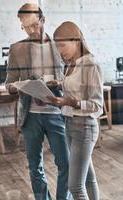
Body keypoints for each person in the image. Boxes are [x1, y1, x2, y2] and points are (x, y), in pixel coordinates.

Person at [5, 3, 69, 200]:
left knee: (66, 164)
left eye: (34, 25)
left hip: (57, 113)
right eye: (26, 27)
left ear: (42, 20)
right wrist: (20, 86)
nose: (31, 31)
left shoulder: (61, 46)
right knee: (35, 165)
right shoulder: (16, 49)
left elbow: (72, 80)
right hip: (30, 115)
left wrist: (59, 83)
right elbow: (9, 83)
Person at [47, 21, 103, 200]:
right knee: (88, 178)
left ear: (76, 40)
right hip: (70, 124)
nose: (60, 50)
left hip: (85, 127)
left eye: (63, 45)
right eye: (58, 46)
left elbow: (97, 105)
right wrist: (58, 86)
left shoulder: (90, 64)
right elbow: (75, 87)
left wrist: (70, 102)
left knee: (75, 186)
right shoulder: (72, 64)